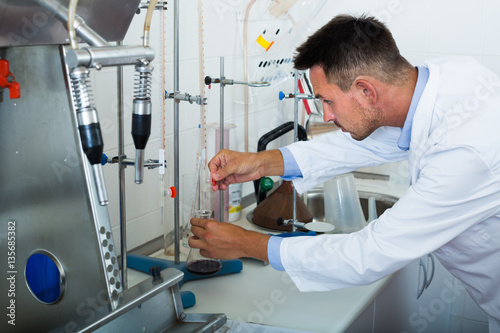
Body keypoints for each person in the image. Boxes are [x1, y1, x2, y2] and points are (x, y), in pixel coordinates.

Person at [189, 14, 500, 330]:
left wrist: (248, 244)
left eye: (328, 100)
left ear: (366, 90)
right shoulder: (446, 81)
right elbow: (366, 144)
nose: (326, 114)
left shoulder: (464, 150)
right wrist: (262, 162)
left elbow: (372, 252)